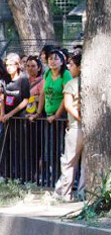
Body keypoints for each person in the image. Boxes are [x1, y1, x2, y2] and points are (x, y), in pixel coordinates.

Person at [54, 53, 84, 202]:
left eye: (71, 65)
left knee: (69, 162)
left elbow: (67, 105)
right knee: (85, 163)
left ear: (79, 67)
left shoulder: (71, 84)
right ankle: (83, 193)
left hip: (75, 128)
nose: (68, 68)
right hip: (83, 126)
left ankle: (64, 193)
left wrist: (80, 119)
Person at [34, 50, 72, 122]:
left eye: (56, 59)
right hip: (48, 114)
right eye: (50, 59)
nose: (52, 61)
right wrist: (38, 113)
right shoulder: (47, 73)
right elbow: (42, 93)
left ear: (61, 62)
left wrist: (56, 115)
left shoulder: (66, 74)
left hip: (62, 116)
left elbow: (66, 97)